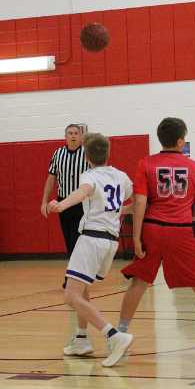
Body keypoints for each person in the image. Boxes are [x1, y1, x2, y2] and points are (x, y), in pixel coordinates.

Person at [117, 117, 195, 359]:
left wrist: (136, 238)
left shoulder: (146, 163)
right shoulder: (193, 167)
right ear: (180, 141)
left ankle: (120, 333)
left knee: (139, 282)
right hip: (181, 230)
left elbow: (139, 203)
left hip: (152, 229)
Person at [48, 132, 135, 367]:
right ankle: (81, 339)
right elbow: (133, 201)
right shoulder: (121, 176)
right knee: (82, 288)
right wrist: (123, 211)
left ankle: (114, 335)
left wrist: (61, 204)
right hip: (111, 241)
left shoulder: (89, 175)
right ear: (108, 153)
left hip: (91, 238)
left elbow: (84, 191)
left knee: (71, 295)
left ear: (86, 157)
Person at [41, 124, 86, 256]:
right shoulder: (58, 153)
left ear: (81, 136)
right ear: (65, 137)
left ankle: (77, 266)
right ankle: (74, 265)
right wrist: (44, 202)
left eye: (76, 133)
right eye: (70, 133)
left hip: (82, 203)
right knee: (68, 239)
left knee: (78, 239)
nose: (73, 136)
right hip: (63, 202)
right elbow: (51, 179)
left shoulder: (87, 153)